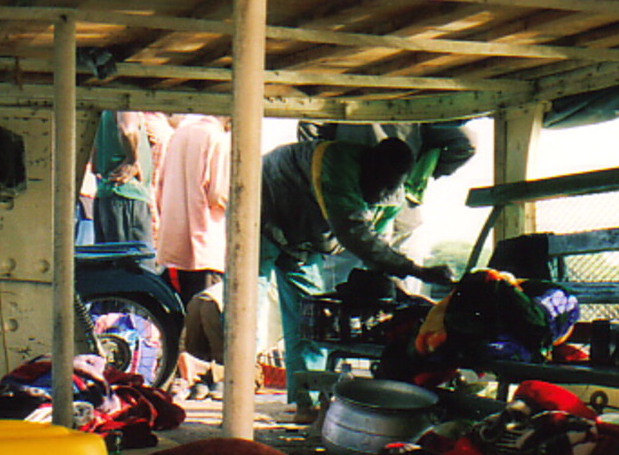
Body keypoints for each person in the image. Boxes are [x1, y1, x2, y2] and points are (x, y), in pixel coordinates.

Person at [260, 136, 452, 424]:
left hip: (303, 240)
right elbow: (352, 232)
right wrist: (416, 270)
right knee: (246, 303)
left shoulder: (391, 196)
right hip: (262, 213)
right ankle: (234, 394)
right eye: (378, 182)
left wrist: (394, 279)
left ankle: (306, 403)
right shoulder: (335, 162)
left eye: (389, 186)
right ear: (367, 164)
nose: (380, 191)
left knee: (308, 321)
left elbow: (377, 248)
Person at [296, 120, 477, 247]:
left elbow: (310, 125)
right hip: (401, 209)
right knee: (400, 290)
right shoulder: (419, 104)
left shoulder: (342, 97)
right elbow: (467, 143)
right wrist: (420, 172)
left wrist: (328, 170)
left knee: (341, 290)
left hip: (345, 203)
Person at [153, 114, 230, 300]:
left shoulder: (177, 134)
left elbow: (160, 185)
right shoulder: (217, 138)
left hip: (174, 244)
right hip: (206, 245)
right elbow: (218, 195)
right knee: (205, 313)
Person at [91, 111, 154, 247]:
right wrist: (132, 161)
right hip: (127, 195)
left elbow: (95, 165)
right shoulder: (125, 101)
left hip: (107, 196)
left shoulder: (104, 110)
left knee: (111, 263)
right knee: (135, 263)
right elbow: (127, 130)